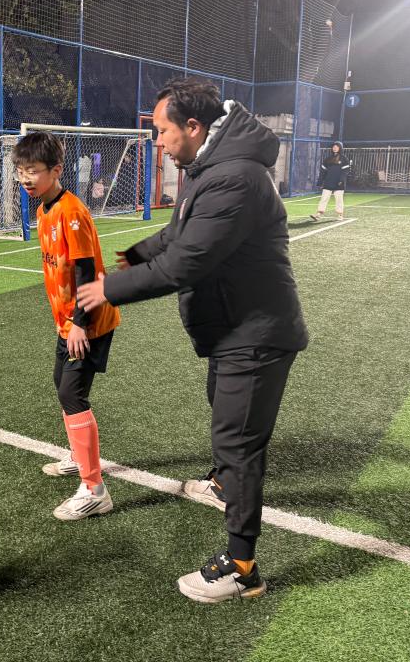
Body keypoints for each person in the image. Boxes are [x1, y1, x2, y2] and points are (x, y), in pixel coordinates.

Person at [76, 78, 308, 603]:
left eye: (162, 131)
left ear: (194, 127)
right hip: (234, 329)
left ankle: (242, 567)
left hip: (255, 333)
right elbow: (181, 231)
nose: (158, 142)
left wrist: (107, 289)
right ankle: (224, 483)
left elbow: (185, 262)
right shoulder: (212, 168)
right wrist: (138, 253)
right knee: (223, 412)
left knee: (238, 442)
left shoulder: (234, 177)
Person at [12, 131, 121, 521]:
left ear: (56, 170)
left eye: (33, 170)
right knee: (63, 385)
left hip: (88, 320)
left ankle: (94, 489)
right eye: (21, 170)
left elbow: (86, 271)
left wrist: (78, 323)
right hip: (70, 321)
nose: (25, 178)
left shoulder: (70, 212)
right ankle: (79, 457)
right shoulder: (45, 209)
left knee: (72, 395)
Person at [310, 141, 351, 220]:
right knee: (324, 198)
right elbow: (323, 171)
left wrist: (341, 180)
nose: (334, 148)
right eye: (333, 147)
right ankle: (318, 214)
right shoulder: (328, 159)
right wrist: (320, 182)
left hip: (339, 183)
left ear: (340, 148)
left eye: (337, 147)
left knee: (339, 199)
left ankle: (340, 215)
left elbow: (345, 171)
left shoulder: (344, 159)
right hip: (328, 182)